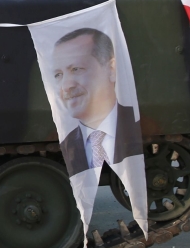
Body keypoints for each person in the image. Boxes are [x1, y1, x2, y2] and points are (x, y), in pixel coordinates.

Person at [51, 28, 142, 177]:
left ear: (111, 69)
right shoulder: (69, 141)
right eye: (58, 75)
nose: (66, 86)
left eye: (76, 69)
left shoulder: (138, 123)